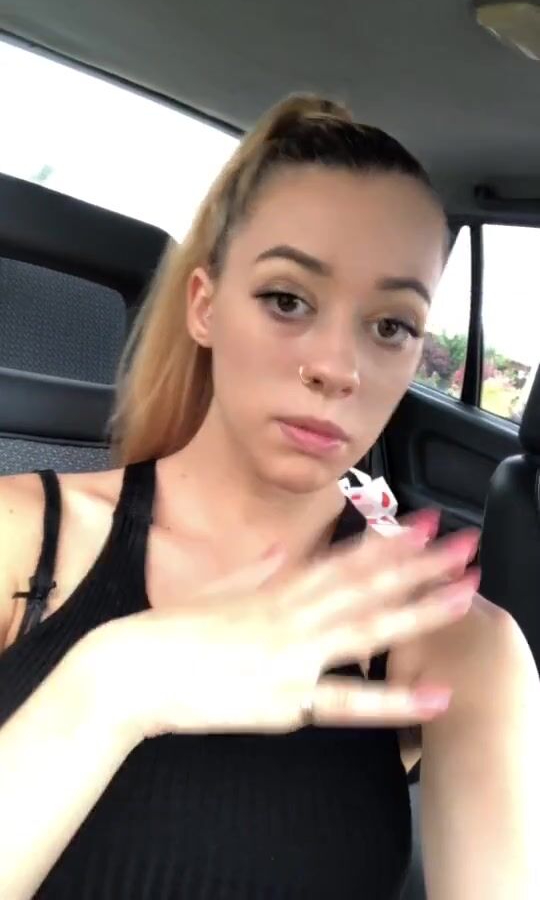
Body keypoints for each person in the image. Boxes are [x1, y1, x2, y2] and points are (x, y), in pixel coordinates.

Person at [0, 95, 537, 900]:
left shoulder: (462, 644)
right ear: (205, 306)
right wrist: (111, 686)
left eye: (391, 325)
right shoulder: (18, 534)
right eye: (288, 300)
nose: (338, 367)